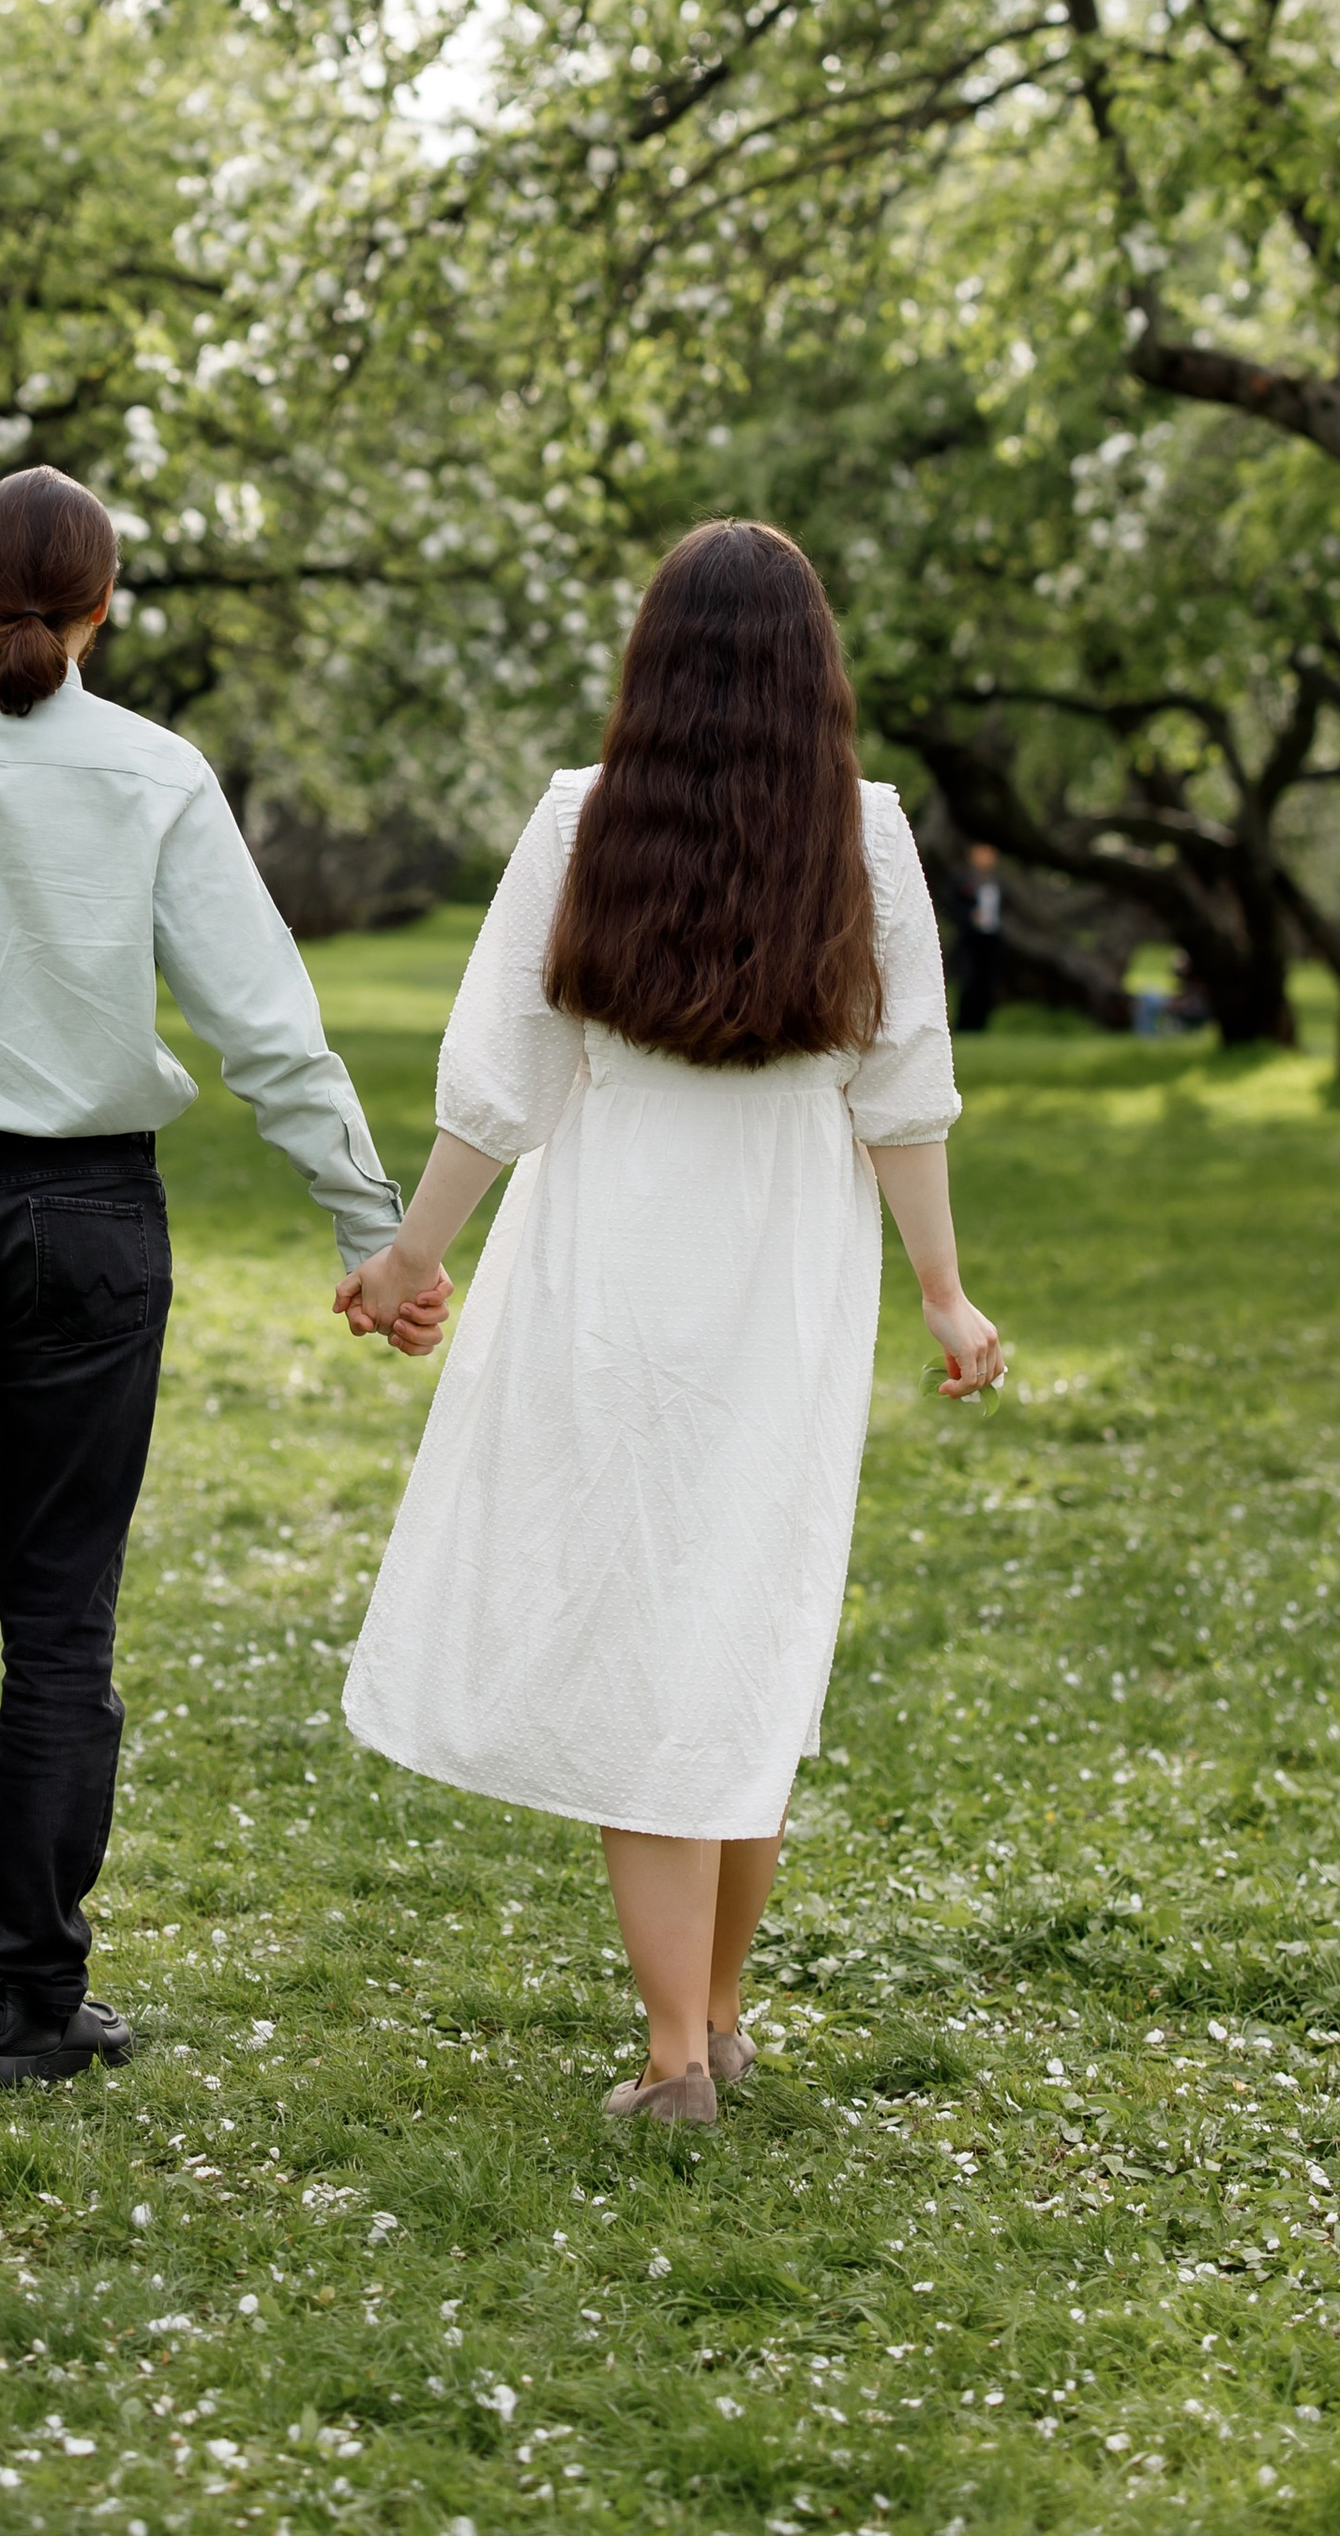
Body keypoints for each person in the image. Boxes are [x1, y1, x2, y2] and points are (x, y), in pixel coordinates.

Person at [0, 464, 404, 2087]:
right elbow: (266, 1020)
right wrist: (366, 1223)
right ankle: (34, 2004)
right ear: (105, 606)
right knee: (61, 1626)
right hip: (89, 1224)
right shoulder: (154, 771)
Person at [335, 520, 1000, 2127]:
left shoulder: (585, 816)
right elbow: (901, 1090)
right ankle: (713, 2018)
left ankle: (678, 2054)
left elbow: (504, 1076)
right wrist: (942, 1288)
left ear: (656, 661)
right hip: (788, 1271)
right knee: (741, 1630)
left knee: (648, 1638)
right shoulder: (868, 831)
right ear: (814, 671)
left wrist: (412, 1254)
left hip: (616, 1253)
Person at [955, 840, 1004, 1033]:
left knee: (987, 981)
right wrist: (969, 917)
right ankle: (965, 1023)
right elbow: (954, 904)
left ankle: (982, 1023)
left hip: (991, 937)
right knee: (969, 979)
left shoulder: (997, 880)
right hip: (970, 937)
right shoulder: (963, 878)